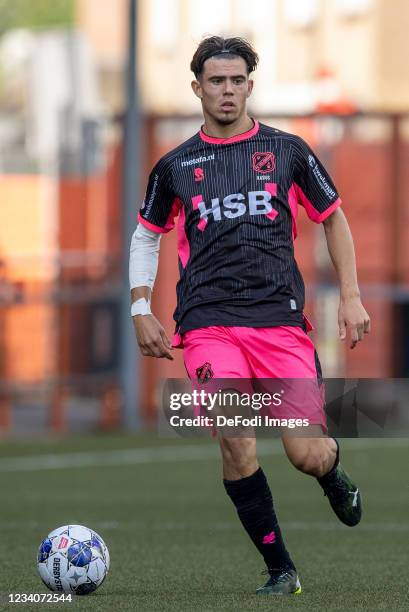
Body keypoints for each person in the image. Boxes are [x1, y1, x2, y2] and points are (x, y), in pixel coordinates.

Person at [129, 36, 370, 596]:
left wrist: (352, 296)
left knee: (304, 453)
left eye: (237, 80)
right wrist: (141, 307)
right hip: (207, 324)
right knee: (237, 444)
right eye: (217, 81)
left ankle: (331, 471)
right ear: (198, 88)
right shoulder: (174, 166)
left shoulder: (288, 151)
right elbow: (147, 235)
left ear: (250, 86)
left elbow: (334, 218)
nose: (228, 90)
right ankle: (281, 571)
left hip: (280, 322)